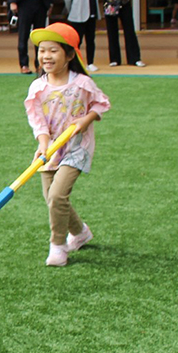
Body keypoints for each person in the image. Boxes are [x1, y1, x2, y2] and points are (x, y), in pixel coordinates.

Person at [25, 23, 111, 266]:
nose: (46, 56)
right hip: (50, 149)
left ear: (70, 55)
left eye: (53, 50)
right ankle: (81, 232)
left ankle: (58, 246)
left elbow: (101, 103)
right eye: (42, 50)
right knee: (52, 198)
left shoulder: (82, 83)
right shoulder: (38, 87)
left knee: (57, 195)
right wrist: (43, 142)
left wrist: (86, 120)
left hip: (76, 148)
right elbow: (37, 120)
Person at [63, 0, 101, 72]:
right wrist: (72, 10)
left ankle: (90, 62)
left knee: (91, 40)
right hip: (77, 16)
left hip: (91, 14)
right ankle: (75, 63)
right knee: (76, 41)